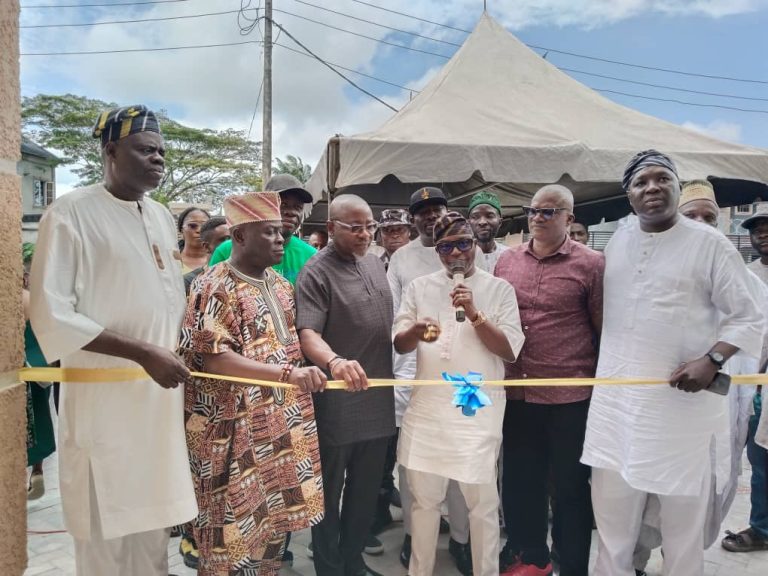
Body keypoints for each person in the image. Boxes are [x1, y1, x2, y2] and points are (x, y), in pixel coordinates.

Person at [29, 105, 198, 576]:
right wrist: (143, 352)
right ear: (110, 151)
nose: (159, 160)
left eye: (162, 152)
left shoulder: (163, 216)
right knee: (106, 539)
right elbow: (52, 311)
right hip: (105, 408)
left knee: (152, 536)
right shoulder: (70, 213)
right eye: (146, 150)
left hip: (157, 408)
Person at [581, 150, 763, 576]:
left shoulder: (711, 244)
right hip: (617, 407)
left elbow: (751, 313)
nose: (652, 188)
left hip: (680, 412)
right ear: (628, 195)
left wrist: (714, 358)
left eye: (662, 179)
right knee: (612, 524)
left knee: (683, 529)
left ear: (677, 187)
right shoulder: (621, 238)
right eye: (641, 183)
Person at [180, 191, 326, 576]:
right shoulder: (213, 285)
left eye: (280, 232)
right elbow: (216, 357)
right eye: (269, 232)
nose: (280, 239)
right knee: (228, 537)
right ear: (240, 237)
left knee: (272, 531)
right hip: (229, 434)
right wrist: (287, 376)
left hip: (277, 429)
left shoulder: (280, 285)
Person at [632, 182, 768, 574]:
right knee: (647, 496)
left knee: (704, 499)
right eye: (691, 216)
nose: (702, 225)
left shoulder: (747, 283)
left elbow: (754, 347)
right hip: (659, 413)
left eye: (710, 217)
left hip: (719, 415)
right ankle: (636, 564)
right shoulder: (645, 274)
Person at [394, 211, 524, 576]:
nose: (455, 254)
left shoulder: (499, 290)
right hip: (428, 414)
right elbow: (400, 343)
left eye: (463, 244)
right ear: (437, 250)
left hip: (475, 415)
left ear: (476, 245)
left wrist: (474, 312)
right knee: (423, 504)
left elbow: (510, 350)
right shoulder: (419, 288)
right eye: (446, 247)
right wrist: (416, 331)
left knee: (482, 507)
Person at [495, 185, 604, 576]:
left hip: (568, 396)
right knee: (522, 483)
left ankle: (571, 564)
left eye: (549, 212)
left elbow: (600, 328)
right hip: (518, 392)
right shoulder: (507, 261)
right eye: (533, 211)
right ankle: (531, 559)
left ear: (569, 219)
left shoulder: (591, 265)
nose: (538, 218)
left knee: (571, 489)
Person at [387, 187, 487, 574]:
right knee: (416, 470)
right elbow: (397, 319)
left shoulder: (470, 249)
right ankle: (416, 537)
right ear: (413, 220)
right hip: (416, 374)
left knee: (464, 465)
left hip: (465, 375)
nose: (430, 216)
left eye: (436, 209)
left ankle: (462, 539)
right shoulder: (401, 258)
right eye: (422, 212)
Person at [296, 194, 396, 576]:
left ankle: (353, 561)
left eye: (370, 226)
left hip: (377, 397)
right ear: (331, 229)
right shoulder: (316, 272)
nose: (365, 234)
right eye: (355, 227)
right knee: (328, 493)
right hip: (336, 404)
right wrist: (334, 361)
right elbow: (308, 334)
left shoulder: (373, 262)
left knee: (365, 490)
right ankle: (329, 566)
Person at [718, 201, 768, 554]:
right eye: (755, 229)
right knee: (759, 457)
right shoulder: (746, 275)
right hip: (755, 382)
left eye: (767, 228)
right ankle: (763, 527)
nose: (761, 234)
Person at [370, 208, 413, 536]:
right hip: (377, 361)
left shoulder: (420, 261)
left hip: (411, 361)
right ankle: (379, 507)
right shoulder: (372, 263)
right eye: (388, 231)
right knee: (381, 445)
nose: (394, 235)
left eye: (399, 229)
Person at [210, 173, 316, 285]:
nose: (292, 212)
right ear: (264, 207)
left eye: (298, 207)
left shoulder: (312, 257)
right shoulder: (226, 251)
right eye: (283, 204)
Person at [22, 242, 56, 501]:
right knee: (37, 417)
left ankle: (33, 471)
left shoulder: (28, 297)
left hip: (30, 365)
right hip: (40, 365)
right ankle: (36, 469)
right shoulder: (44, 295)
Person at [182, 216, 230, 294]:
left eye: (233, 239)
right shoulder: (189, 282)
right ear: (206, 247)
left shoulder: (246, 276)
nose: (229, 244)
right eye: (224, 240)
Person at [468, 190, 509, 271]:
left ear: (500, 222)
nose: (482, 222)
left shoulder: (510, 255)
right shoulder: (462, 256)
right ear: (469, 223)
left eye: (489, 216)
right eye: (475, 217)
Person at [177, 206, 211, 273]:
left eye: (204, 226)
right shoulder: (169, 261)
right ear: (181, 230)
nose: (199, 230)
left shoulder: (222, 260)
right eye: (192, 226)